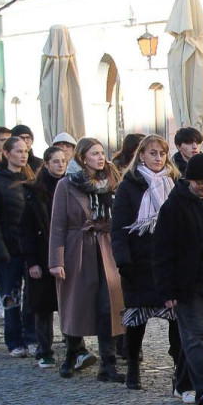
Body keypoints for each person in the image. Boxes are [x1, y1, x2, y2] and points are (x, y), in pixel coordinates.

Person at [49, 137, 126, 382]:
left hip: (106, 248)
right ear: (83, 158)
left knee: (109, 305)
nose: (100, 157)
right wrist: (56, 260)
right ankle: (72, 353)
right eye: (94, 153)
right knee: (76, 304)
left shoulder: (112, 181)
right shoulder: (66, 185)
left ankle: (108, 363)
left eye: (102, 153)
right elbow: (58, 225)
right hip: (77, 248)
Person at [153, 153, 203, 405]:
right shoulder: (173, 207)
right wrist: (167, 289)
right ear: (188, 180)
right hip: (186, 284)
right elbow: (162, 251)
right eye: (200, 182)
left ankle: (183, 381)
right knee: (196, 336)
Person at [111, 135, 182, 391]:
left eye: (162, 153)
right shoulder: (129, 185)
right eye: (153, 153)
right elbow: (119, 227)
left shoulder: (173, 183)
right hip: (138, 261)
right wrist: (123, 260)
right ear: (141, 155)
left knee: (176, 317)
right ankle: (132, 365)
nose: (159, 158)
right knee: (137, 318)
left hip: (166, 262)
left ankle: (179, 368)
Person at [0, 136, 36, 356]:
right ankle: (14, 340)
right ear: (6, 154)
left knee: (32, 296)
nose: (23, 155)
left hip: (29, 247)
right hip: (8, 247)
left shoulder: (31, 179)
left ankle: (32, 337)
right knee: (11, 295)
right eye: (18, 151)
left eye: (25, 151)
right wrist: (0, 249)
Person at [20, 146, 67, 369]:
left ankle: (75, 346)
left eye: (63, 161)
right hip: (41, 252)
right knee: (42, 306)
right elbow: (26, 230)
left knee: (68, 302)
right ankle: (44, 349)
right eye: (55, 161)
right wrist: (32, 262)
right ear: (46, 164)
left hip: (66, 254)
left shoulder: (70, 186)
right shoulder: (33, 190)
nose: (60, 165)